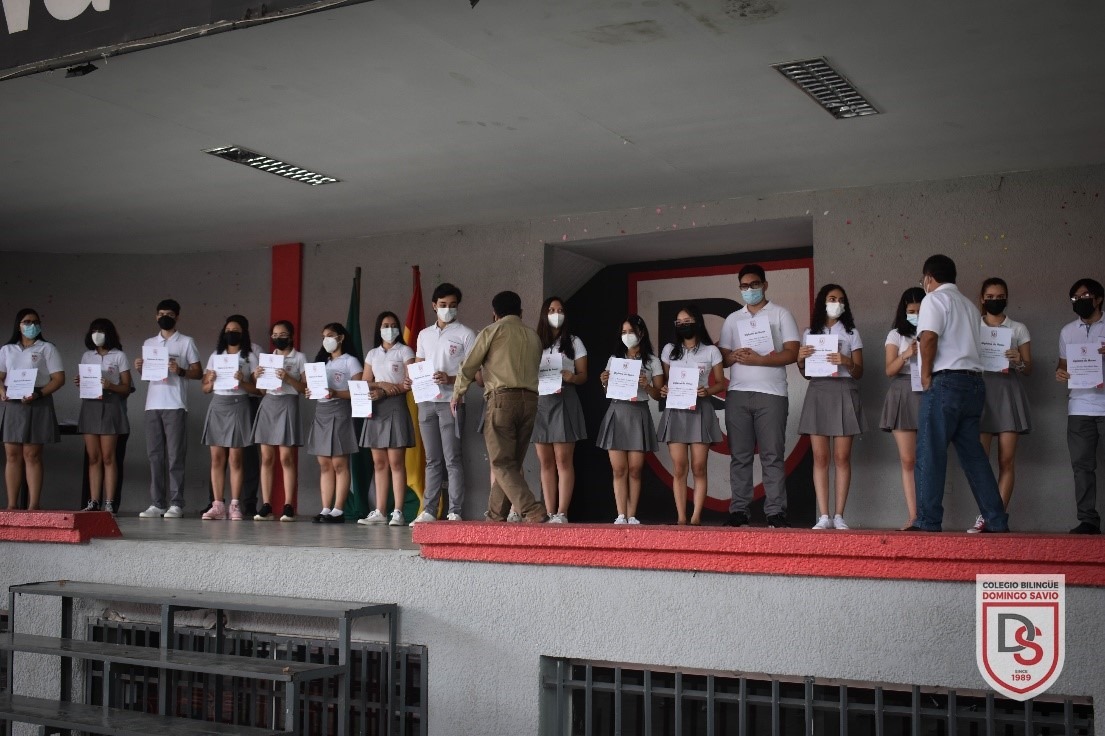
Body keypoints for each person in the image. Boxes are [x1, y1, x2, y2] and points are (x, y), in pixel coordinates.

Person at [909, 254, 1009, 533]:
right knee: (974, 456)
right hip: (974, 385)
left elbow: (928, 337)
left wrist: (926, 375)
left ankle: (928, 521)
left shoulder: (933, 299)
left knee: (930, 452)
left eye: (923, 280)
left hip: (946, 382)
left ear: (929, 278)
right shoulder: (967, 304)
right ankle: (996, 519)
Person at [452, 291, 546, 523]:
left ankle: (531, 509)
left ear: (494, 313)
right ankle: (495, 516)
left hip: (502, 400)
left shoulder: (492, 331)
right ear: (521, 312)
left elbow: (468, 366)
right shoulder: (533, 336)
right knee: (511, 463)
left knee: (501, 463)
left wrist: (457, 393)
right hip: (531, 401)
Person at [718, 265, 800, 528]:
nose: (749, 290)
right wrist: (734, 356)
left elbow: (792, 353)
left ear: (765, 285)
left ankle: (776, 512)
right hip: (738, 394)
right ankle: (739, 509)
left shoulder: (781, 314)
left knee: (772, 455)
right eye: (744, 286)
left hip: (772, 394)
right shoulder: (733, 319)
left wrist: (761, 360)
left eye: (754, 285)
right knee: (739, 455)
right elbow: (723, 358)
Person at [796, 284, 865, 530]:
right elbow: (805, 373)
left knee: (842, 456)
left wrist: (845, 360)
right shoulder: (809, 333)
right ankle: (823, 515)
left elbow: (859, 371)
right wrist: (800, 359)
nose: (836, 302)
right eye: (832, 298)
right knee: (821, 457)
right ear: (822, 302)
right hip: (818, 391)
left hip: (844, 390)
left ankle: (839, 515)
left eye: (841, 299)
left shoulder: (851, 332)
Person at [410, 283, 475, 524]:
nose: (448, 310)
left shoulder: (466, 334)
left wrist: (449, 379)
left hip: (452, 402)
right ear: (434, 306)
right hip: (426, 402)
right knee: (432, 459)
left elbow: (473, 374)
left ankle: (455, 510)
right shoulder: (424, 334)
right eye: (443, 305)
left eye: (453, 306)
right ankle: (428, 509)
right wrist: (413, 377)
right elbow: (418, 364)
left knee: (452, 459)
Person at [974, 277, 1032, 532]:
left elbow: (1029, 368)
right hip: (980, 393)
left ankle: (996, 517)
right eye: (991, 296)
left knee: (1006, 460)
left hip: (1008, 393)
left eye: (1000, 296)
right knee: (980, 461)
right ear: (982, 299)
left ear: (1007, 298)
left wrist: (1019, 359)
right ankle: (984, 514)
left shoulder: (1018, 328)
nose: (995, 301)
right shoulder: (973, 326)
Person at [134, 299, 201, 519]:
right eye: (161, 313)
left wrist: (180, 370)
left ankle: (176, 503)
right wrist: (141, 368)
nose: (165, 317)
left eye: (170, 314)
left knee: (175, 456)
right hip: (152, 404)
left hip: (174, 404)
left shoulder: (186, 342)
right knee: (154, 456)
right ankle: (157, 503)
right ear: (156, 316)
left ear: (177, 317)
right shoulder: (149, 342)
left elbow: (198, 372)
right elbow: (148, 377)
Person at [657, 305, 724, 525]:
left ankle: (695, 518)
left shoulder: (711, 351)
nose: (683, 325)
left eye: (687, 320)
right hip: (676, 410)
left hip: (700, 409)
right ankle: (681, 517)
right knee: (679, 466)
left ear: (697, 322)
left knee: (698, 466)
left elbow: (721, 383)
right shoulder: (669, 350)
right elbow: (665, 383)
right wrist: (664, 389)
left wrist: (708, 390)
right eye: (679, 322)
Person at [596, 315, 664, 524]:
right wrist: (604, 381)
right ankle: (621, 514)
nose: (627, 336)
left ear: (641, 333)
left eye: (631, 332)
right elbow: (608, 390)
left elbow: (659, 393)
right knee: (618, 469)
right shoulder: (614, 359)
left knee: (635, 469)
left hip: (639, 412)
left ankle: (632, 515)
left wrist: (646, 385)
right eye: (624, 332)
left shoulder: (652, 361)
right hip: (617, 411)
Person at [531, 296, 589, 523]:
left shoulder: (574, 341)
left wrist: (572, 377)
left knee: (563, 460)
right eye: (552, 310)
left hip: (565, 399)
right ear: (544, 314)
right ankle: (549, 510)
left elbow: (584, 376)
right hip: (540, 402)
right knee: (545, 461)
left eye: (560, 310)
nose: (556, 313)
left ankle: (562, 513)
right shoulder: (535, 341)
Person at [0, 308, 64, 511]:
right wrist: (1, 391)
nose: (32, 326)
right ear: (18, 325)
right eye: (27, 322)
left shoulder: (47, 348)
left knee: (32, 454)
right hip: (12, 402)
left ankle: (33, 505)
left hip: (37, 400)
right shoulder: (7, 349)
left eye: (35, 322)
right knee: (11, 454)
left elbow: (58, 378)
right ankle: (11, 506)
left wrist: (39, 394)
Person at [1055, 278, 1105, 534]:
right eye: (1075, 298)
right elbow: (1062, 366)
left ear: (1098, 298)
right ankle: (1088, 520)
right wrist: (1060, 373)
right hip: (1079, 407)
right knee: (1082, 467)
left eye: (1084, 296)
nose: (1079, 301)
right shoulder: (1068, 331)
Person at [357, 311, 415, 527]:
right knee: (379, 463)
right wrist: (380, 386)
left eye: (393, 324)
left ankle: (398, 511)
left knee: (396, 462)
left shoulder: (405, 350)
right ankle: (380, 510)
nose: (389, 329)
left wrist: (388, 391)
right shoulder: (372, 354)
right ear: (378, 329)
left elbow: (409, 382)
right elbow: (365, 381)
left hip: (396, 407)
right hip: (376, 407)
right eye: (385, 325)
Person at [200, 316, 260, 521]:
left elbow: (259, 390)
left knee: (236, 458)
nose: (231, 333)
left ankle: (235, 504)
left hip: (239, 405)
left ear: (242, 334)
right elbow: (205, 389)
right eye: (228, 330)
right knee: (217, 458)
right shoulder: (215, 356)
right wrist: (211, 381)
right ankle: (217, 504)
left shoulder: (249, 356)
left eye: (235, 330)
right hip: (218, 405)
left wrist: (242, 382)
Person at [304, 323, 363, 523]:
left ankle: (339, 509)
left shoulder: (351, 362)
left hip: (340, 410)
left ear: (341, 338)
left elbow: (359, 390)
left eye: (330, 335)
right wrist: (309, 391)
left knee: (339, 462)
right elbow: (313, 386)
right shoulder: (322, 362)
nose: (326, 339)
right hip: (322, 411)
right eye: (323, 336)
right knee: (324, 463)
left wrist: (336, 392)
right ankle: (326, 508)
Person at [250, 320, 306, 522]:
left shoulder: (299, 357)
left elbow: (305, 389)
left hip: (288, 403)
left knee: (286, 457)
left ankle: (289, 505)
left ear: (291, 336)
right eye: (274, 335)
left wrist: (289, 378)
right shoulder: (267, 358)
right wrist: (257, 377)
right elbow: (262, 390)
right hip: (269, 403)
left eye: (282, 334)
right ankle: (266, 505)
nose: (278, 338)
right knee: (266, 457)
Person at [880, 287, 926, 530]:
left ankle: (929, 515)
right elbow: (889, 370)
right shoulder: (896, 335)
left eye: (920, 310)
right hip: (902, 391)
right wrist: (908, 353)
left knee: (928, 459)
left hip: (929, 391)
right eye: (911, 311)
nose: (915, 314)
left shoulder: (935, 333)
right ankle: (913, 516)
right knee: (908, 460)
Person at [75, 319, 130, 515]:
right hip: (90, 406)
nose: (97, 334)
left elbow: (127, 388)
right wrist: (81, 382)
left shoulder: (119, 356)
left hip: (111, 406)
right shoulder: (87, 355)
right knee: (93, 457)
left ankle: (109, 502)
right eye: (94, 331)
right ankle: (94, 501)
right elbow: (86, 382)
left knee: (108, 457)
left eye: (101, 331)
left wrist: (111, 386)